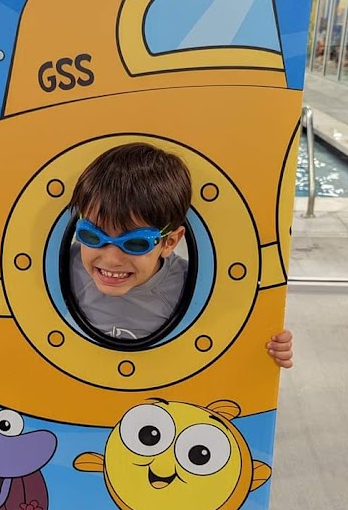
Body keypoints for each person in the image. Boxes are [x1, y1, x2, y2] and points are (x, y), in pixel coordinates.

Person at [67, 142, 293, 366]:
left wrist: (268, 348)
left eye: (135, 243)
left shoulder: (193, 287)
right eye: (92, 236)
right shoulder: (65, 269)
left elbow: (232, 336)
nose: (111, 259)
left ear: (169, 242)